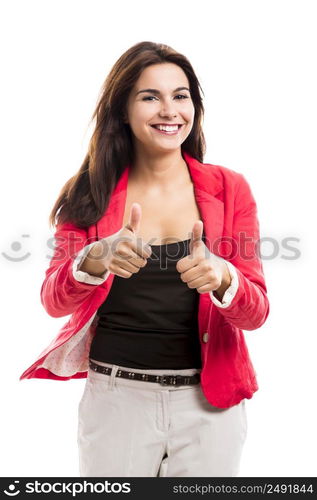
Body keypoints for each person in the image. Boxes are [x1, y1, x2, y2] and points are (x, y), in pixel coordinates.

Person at [19, 41, 270, 477]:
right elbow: (53, 301)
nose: (169, 110)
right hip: (116, 402)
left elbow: (257, 313)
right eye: (150, 96)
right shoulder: (89, 193)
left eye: (181, 95)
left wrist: (224, 277)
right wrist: (95, 259)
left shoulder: (231, 189)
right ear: (122, 110)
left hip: (209, 408)